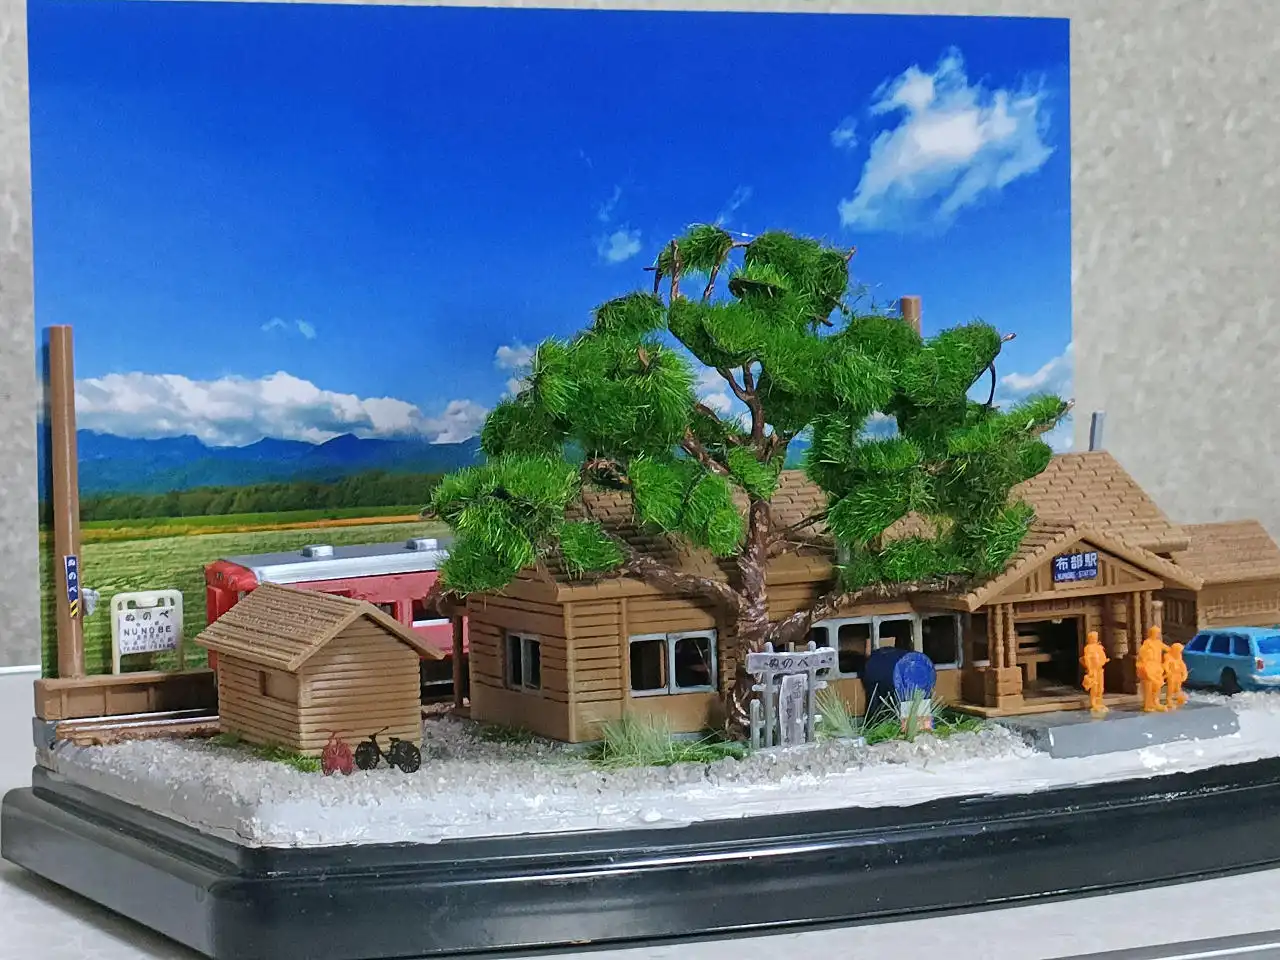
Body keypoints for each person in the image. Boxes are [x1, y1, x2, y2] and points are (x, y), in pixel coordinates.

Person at [1138, 626, 1167, 712]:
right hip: (1149, 666)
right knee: (1148, 686)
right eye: (1156, 633)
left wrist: (1174, 650)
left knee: (1157, 685)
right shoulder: (1147, 643)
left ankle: (1155, 702)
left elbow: (1167, 648)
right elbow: (1142, 655)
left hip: (1157, 666)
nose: (1157, 635)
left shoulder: (1158, 642)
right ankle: (1148, 704)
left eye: (1158, 633)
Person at [1080, 630, 1110, 715]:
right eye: (1093, 637)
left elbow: (1102, 657)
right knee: (1094, 688)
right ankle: (1094, 703)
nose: (1095, 639)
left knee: (1100, 688)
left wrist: (1104, 660)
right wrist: (1089, 669)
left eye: (1096, 637)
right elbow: (1087, 659)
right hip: (1093, 670)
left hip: (1099, 669)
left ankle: (1099, 702)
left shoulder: (1099, 647)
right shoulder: (1088, 648)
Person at [1164, 642, 1189, 710]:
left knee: (1178, 688)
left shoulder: (1179, 658)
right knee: (1171, 688)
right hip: (1172, 676)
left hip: (1178, 676)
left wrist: (1184, 675)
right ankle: (1169, 700)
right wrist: (1168, 671)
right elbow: (1166, 665)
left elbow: (1183, 667)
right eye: (1179, 651)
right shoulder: (1169, 657)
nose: (1180, 653)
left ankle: (1179, 698)